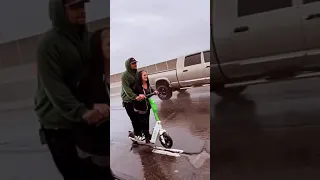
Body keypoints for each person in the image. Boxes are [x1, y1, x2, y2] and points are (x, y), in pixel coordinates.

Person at [34, 0, 108, 179]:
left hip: (82, 120)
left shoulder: (85, 37)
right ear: (60, 10)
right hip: (58, 124)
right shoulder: (49, 44)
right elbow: (54, 86)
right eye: (74, 7)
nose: (81, 11)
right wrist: (80, 111)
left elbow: (93, 76)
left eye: (82, 5)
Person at [121, 57, 145, 141]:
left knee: (140, 116)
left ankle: (141, 131)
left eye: (135, 63)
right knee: (134, 118)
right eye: (133, 63)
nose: (135, 64)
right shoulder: (125, 75)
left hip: (136, 98)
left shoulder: (137, 73)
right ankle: (137, 134)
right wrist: (135, 97)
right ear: (128, 65)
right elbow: (126, 89)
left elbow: (141, 84)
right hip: (128, 99)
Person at [132, 70, 159, 143]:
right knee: (143, 122)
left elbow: (150, 90)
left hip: (147, 106)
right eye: (144, 75)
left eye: (146, 75)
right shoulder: (137, 86)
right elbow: (134, 96)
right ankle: (142, 135)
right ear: (140, 77)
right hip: (140, 108)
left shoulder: (147, 84)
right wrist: (139, 97)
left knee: (147, 121)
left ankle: (146, 135)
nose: (146, 76)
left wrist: (155, 92)